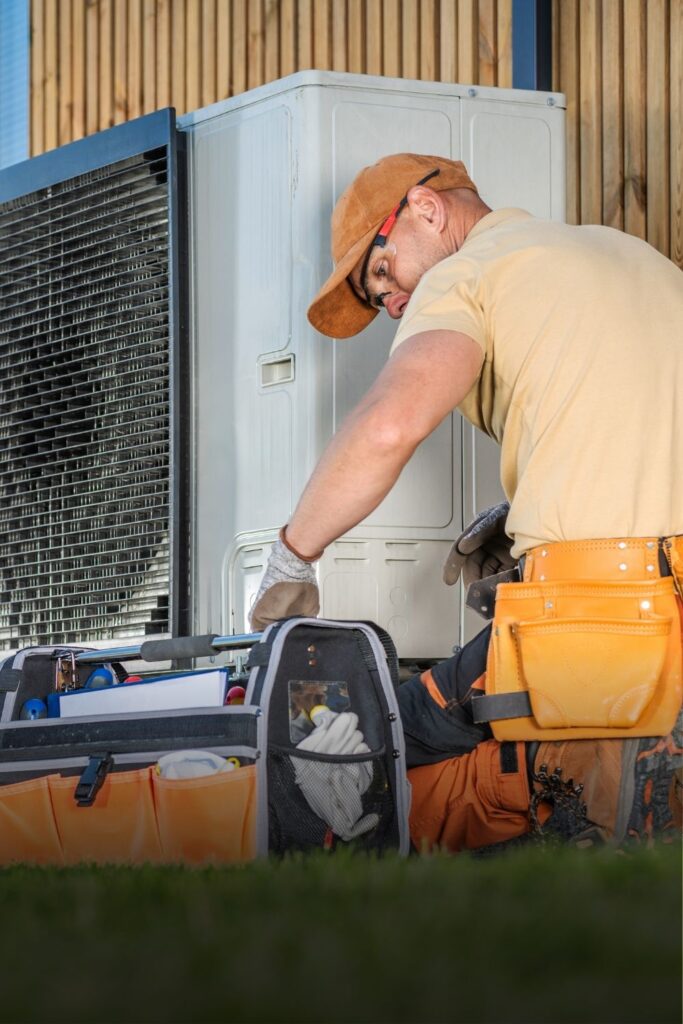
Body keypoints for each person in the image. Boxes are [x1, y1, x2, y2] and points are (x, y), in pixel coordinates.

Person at [250, 153, 683, 852]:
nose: (389, 304)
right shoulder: (628, 253)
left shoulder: (467, 273)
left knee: (370, 730)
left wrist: (290, 558)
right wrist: (526, 519)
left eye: (382, 273)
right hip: (663, 610)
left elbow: (389, 427)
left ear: (425, 208)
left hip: (597, 617)